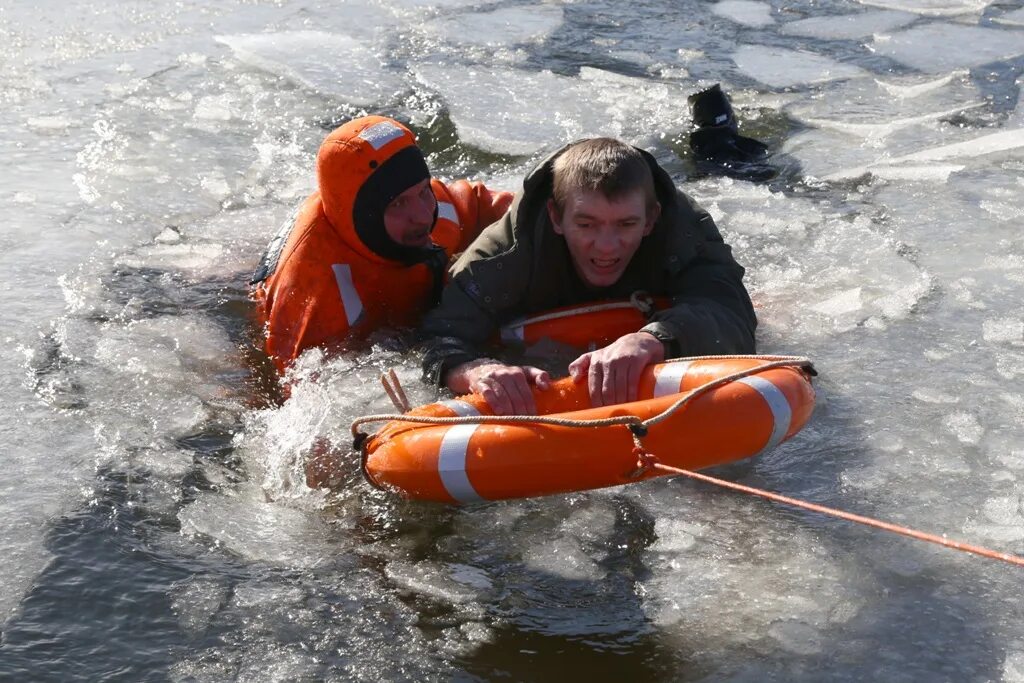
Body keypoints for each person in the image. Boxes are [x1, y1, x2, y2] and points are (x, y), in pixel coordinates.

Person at [421, 137, 757, 415]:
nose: (607, 246)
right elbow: (439, 337)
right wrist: (476, 371)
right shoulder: (502, 256)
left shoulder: (683, 232)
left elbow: (734, 314)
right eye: (586, 224)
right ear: (556, 217)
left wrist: (654, 339)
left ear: (650, 218)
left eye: (626, 224)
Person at [251, 115, 514, 374]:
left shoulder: (438, 208)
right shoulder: (316, 292)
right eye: (399, 204)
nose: (423, 217)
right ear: (363, 216)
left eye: (423, 191)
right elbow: (292, 389)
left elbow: (512, 211)